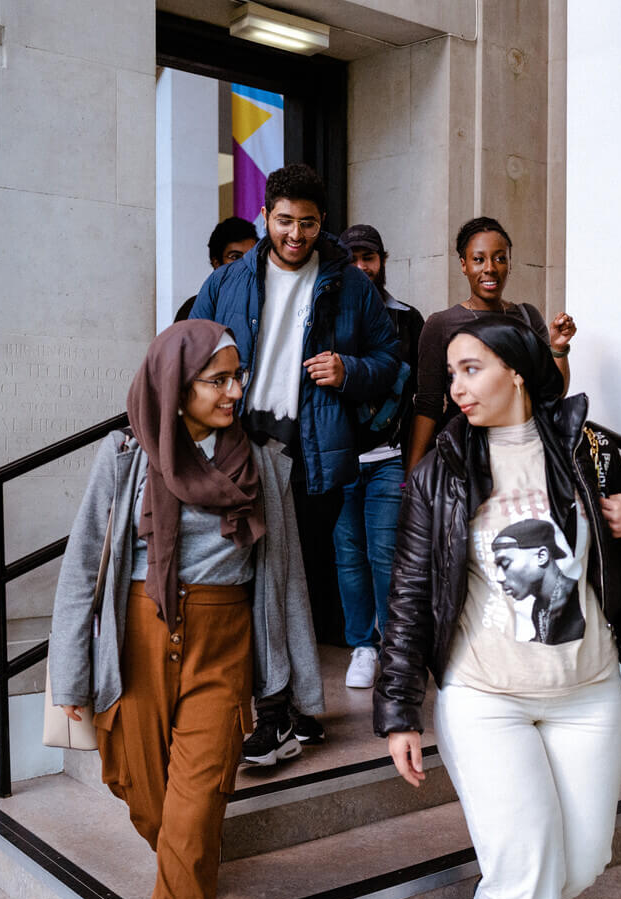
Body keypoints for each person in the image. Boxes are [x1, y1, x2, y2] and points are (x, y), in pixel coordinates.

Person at [374, 312, 621, 899]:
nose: (457, 387)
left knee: (585, 860)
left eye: (470, 369)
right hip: (486, 697)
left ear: (515, 370)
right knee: (529, 881)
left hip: (587, 690)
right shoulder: (439, 472)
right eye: (451, 374)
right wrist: (397, 710)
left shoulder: (582, 446)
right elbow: (411, 592)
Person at [48, 320, 321, 899]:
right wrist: (70, 676)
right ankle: (188, 866)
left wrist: (298, 685)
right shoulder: (125, 456)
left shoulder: (264, 465)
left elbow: (284, 579)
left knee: (194, 815)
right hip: (137, 641)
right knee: (142, 793)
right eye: (217, 380)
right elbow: (83, 568)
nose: (234, 391)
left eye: (238, 377)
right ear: (176, 388)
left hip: (223, 644)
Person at [191, 164, 399, 763]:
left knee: (285, 583)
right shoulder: (231, 279)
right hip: (238, 446)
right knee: (269, 583)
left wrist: (349, 371)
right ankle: (290, 707)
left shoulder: (350, 284)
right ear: (265, 216)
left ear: (321, 222)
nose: (295, 234)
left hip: (312, 455)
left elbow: (390, 360)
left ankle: (286, 709)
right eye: (285, 221)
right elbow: (189, 346)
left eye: (307, 223)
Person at [406, 216, 578, 473]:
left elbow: (553, 393)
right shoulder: (441, 324)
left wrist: (559, 348)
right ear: (464, 265)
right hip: (465, 461)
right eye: (479, 259)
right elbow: (428, 406)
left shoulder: (527, 316)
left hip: (524, 458)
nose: (490, 268)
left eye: (500, 258)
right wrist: (413, 476)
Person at [334, 224, 424, 688]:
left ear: (382, 260)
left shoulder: (408, 319)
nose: (361, 267)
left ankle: (396, 647)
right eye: (352, 258)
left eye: (368, 257)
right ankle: (362, 646)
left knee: (387, 555)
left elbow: (425, 397)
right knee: (349, 557)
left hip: (389, 457)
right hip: (340, 460)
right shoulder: (326, 316)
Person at [174, 217, 259, 322]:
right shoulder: (193, 309)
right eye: (235, 257)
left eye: (251, 257)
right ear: (217, 263)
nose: (245, 264)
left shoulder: (267, 304)